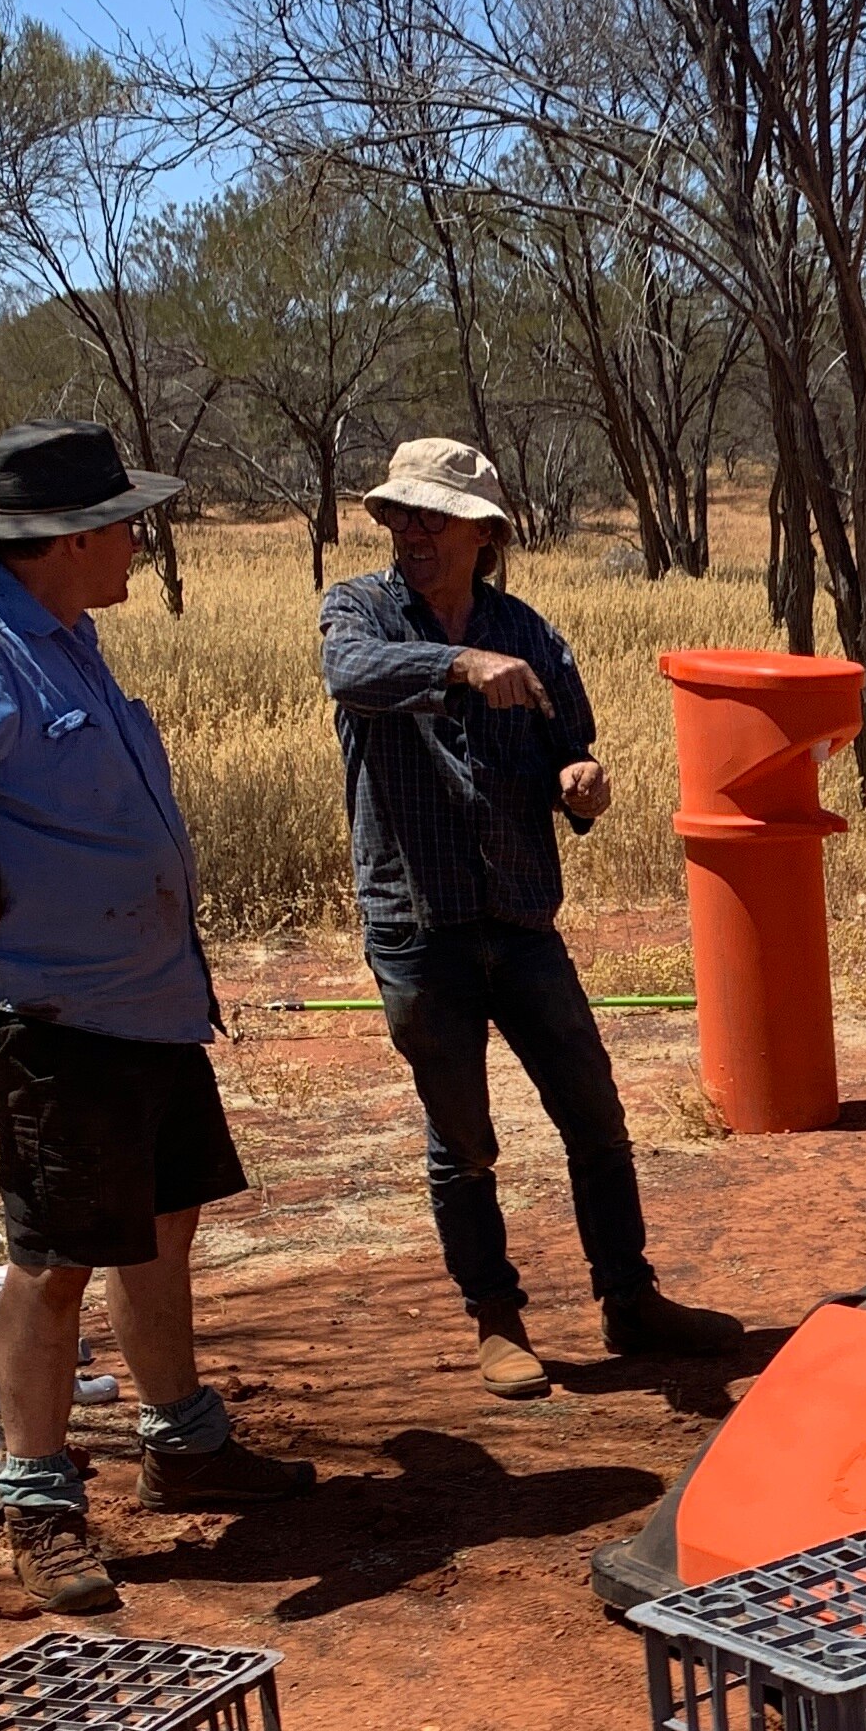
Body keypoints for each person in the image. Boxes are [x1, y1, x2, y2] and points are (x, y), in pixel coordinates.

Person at [0, 422, 317, 1618]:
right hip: (46, 1009)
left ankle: (184, 1441)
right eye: (127, 523)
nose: (141, 541)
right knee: (54, 1261)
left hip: (139, 1004)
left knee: (157, 1225)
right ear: (73, 538)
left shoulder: (67, 640)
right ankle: (37, 1504)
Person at [319, 439, 737, 1397]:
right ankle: (495, 1318)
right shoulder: (359, 610)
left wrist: (580, 786)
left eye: (433, 518)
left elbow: (568, 754)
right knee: (462, 1136)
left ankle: (629, 1299)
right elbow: (352, 675)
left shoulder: (532, 633)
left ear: (483, 534)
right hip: (419, 920)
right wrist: (460, 664)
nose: (411, 534)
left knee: (595, 1114)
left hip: (519, 916)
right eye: (400, 516)